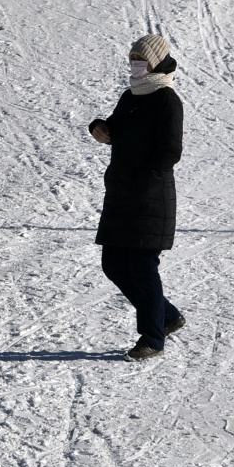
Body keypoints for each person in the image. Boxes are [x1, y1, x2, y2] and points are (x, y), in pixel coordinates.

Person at [89, 34, 185, 361]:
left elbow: (170, 151)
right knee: (114, 264)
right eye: (132, 59)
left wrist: (144, 180)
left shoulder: (166, 99)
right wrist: (99, 127)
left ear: (156, 61)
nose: (135, 65)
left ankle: (153, 339)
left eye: (141, 59)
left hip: (148, 198)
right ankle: (167, 316)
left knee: (143, 266)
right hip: (121, 195)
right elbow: (113, 130)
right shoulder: (130, 95)